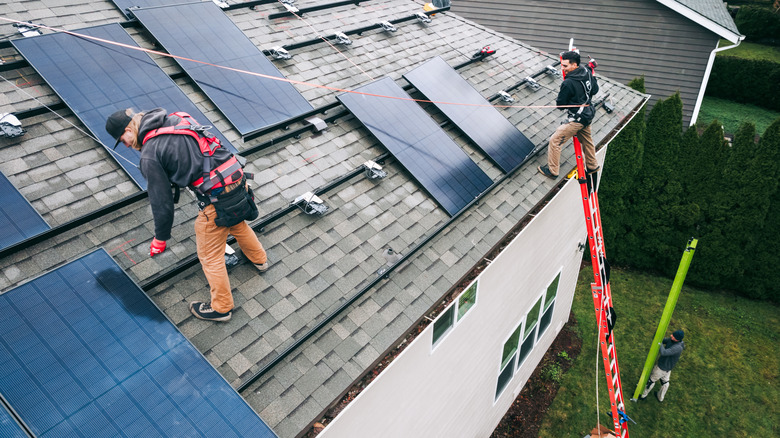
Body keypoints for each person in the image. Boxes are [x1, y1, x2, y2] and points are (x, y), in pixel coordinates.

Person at [106, 108, 268, 322]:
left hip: (217, 199)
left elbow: (161, 202)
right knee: (237, 223)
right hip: (238, 180)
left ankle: (222, 308)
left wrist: (160, 238)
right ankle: (260, 261)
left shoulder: (150, 154)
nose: (126, 145)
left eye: (123, 139)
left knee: (210, 256)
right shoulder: (178, 118)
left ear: (129, 129)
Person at [538, 50, 600, 178]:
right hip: (588, 113)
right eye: (562, 65)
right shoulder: (587, 71)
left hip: (577, 119)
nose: (562, 68)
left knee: (555, 141)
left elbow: (561, 105)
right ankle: (593, 166)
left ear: (574, 65)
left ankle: (553, 171)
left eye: (565, 66)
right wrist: (592, 72)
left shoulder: (568, 82)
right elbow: (595, 90)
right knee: (587, 140)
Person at [640, 329, 685, 402]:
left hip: (662, 368)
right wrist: (658, 336)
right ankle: (660, 397)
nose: (671, 336)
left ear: (677, 339)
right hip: (668, 368)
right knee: (665, 382)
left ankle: (642, 395)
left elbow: (664, 352)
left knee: (651, 381)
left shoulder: (677, 348)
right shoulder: (672, 340)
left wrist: (658, 342)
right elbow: (664, 340)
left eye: (673, 336)